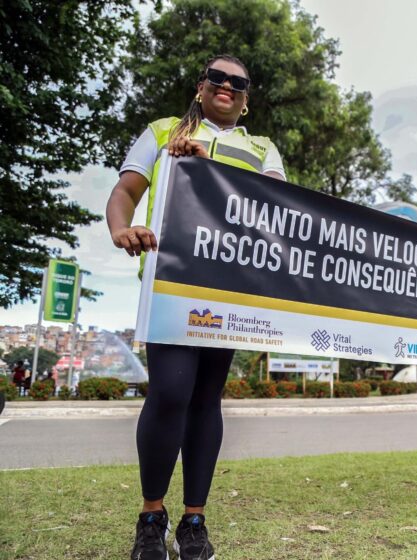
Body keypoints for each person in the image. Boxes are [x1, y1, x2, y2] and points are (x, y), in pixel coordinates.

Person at [106, 55, 286, 560]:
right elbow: (125, 191)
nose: (227, 85)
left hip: (228, 289)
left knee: (207, 398)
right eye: (218, 78)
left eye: (239, 82)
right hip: (171, 285)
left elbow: (276, 208)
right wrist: (122, 228)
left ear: (247, 97)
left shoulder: (262, 148)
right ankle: (150, 517)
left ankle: (194, 522)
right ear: (201, 85)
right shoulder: (163, 131)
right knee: (170, 392)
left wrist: (204, 166)